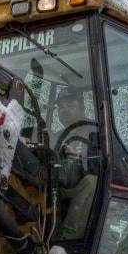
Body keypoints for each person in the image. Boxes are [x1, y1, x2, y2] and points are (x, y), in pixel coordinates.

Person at [52, 85, 98, 240]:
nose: (64, 110)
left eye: (70, 105)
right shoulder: (57, 135)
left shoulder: (95, 131)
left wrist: (80, 158)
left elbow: (105, 165)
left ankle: (67, 241)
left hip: (80, 189)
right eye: (60, 107)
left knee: (92, 182)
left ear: (82, 106)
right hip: (58, 188)